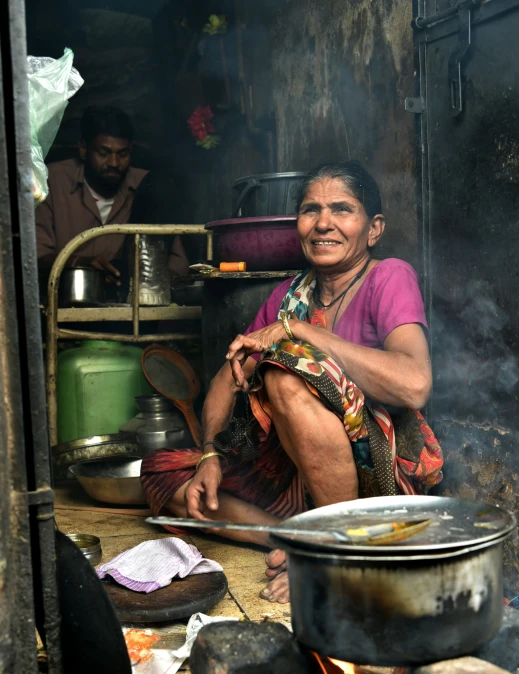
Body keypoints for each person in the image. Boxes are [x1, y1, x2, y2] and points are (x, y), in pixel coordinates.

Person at [141, 160, 443, 603]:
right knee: (162, 471)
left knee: (286, 372)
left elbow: (414, 384)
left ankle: (338, 552)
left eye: (342, 209)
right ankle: (292, 536)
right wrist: (209, 453)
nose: (323, 223)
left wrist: (301, 332)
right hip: (299, 472)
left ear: (373, 228)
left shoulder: (388, 277)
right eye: (310, 210)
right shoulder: (288, 295)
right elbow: (228, 377)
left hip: (374, 477)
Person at [36, 105, 188, 295]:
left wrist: (145, 281)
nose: (114, 163)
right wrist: (78, 263)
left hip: (130, 308)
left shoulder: (149, 187)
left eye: (122, 154)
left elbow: (178, 263)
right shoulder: (54, 180)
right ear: (83, 149)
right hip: (68, 301)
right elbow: (36, 256)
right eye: (103, 153)